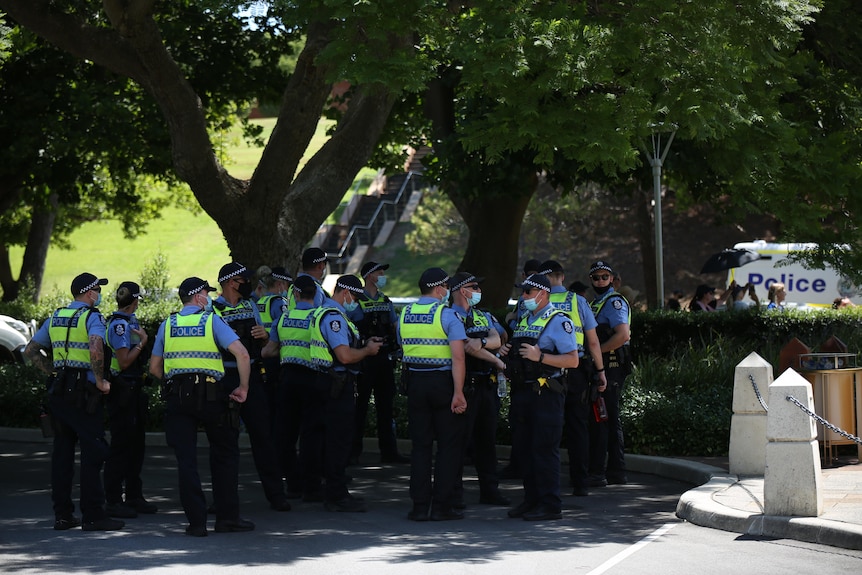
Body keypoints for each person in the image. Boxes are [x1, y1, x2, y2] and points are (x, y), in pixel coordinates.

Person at [149, 277, 254, 536]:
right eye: (206, 293)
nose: (209, 297)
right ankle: (227, 519)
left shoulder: (168, 324)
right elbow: (241, 353)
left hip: (179, 398)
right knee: (224, 454)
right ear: (198, 297)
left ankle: (196, 523)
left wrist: (175, 382)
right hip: (211, 396)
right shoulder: (212, 320)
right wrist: (243, 387)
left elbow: (154, 368)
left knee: (186, 461)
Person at [24, 272, 124, 532]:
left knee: (63, 454)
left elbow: (30, 351)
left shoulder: (56, 317)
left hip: (59, 392)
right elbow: (95, 347)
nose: (98, 294)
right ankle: (93, 516)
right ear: (89, 293)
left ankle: (63, 515)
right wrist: (101, 380)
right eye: (97, 290)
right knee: (94, 451)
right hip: (84, 393)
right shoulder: (92, 317)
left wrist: (52, 371)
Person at [499, 273, 579, 521]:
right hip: (523, 392)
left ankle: (550, 504)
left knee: (544, 449)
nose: (522, 297)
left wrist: (540, 357)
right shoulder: (524, 319)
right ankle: (531, 499)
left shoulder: (559, 320)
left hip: (546, 393)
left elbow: (572, 360)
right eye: (522, 292)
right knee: (524, 449)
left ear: (542, 294)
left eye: (527, 293)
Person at [213, 262, 291, 512]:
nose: (248, 283)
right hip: (225, 378)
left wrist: (264, 335)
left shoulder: (250, 306)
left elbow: (267, 340)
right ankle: (222, 500)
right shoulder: (212, 310)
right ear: (229, 282)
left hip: (254, 377)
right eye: (242, 280)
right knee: (225, 442)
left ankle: (276, 495)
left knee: (263, 438)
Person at [307, 275, 383, 512]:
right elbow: (344, 356)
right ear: (344, 293)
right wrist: (368, 351)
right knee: (338, 441)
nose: (356, 303)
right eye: (354, 297)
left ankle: (328, 490)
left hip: (325, 382)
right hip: (336, 385)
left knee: (327, 440)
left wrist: (364, 343)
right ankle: (337, 495)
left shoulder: (326, 313)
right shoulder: (334, 318)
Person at [398, 267, 468, 521]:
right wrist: (458, 392)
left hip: (415, 382)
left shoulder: (404, 314)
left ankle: (419, 507)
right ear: (439, 289)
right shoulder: (447, 316)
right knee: (448, 447)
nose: (448, 292)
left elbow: (403, 345)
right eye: (447, 287)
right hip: (443, 383)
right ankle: (441, 507)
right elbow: (458, 357)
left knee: (421, 447)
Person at [540, 260, 607, 497]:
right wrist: (600, 371)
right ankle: (580, 482)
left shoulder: (538, 301)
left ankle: (547, 484)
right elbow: (593, 341)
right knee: (578, 427)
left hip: (547, 370)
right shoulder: (577, 301)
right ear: (562, 276)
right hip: (577, 370)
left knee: (548, 427)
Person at [448, 272, 510, 508]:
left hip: (487, 384)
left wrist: (483, 342)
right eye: (473, 287)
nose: (478, 291)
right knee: (459, 443)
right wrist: (495, 359)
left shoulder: (483, 315)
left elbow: (498, 338)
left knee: (487, 442)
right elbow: (465, 348)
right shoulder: (450, 316)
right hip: (465, 385)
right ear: (461, 291)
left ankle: (490, 491)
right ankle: (454, 494)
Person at [261, 275, 319, 500]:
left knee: (284, 434)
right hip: (313, 380)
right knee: (311, 435)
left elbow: (268, 352)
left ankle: (293, 483)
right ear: (314, 294)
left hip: (288, 380)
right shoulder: (319, 317)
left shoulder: (284, 319)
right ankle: (312, 487)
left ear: (295, 294)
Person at [103, 281, 158, 519]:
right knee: (121, 447)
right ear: (135, 301)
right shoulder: (118, 325)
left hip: (133, 390)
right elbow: (124, 360)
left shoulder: (130, 322)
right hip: (121, 390)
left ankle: (134, 496)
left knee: (136, 446)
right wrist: (144, 343)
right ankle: (113, 500)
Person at [347, 261, 408, 465]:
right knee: (359, 408)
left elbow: (393, 326)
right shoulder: (356, 301)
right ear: (368, 276)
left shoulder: (385, 300)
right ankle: (353, 453)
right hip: (363, 358)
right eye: (379, 272)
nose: (382, 275)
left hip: (383, 359)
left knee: (386, 406)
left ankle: (389, 452)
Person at [588, 261, 631, 488]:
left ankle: (612, 470)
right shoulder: (596, 303)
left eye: (604, 277)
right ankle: (613, 470)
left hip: (612, 365)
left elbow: (622, 335)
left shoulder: (613, 302)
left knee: (607, 418)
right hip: (602, 365)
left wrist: (595, 351)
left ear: (612, 279)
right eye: (596, 278)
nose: (600, 281)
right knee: (604, 417)